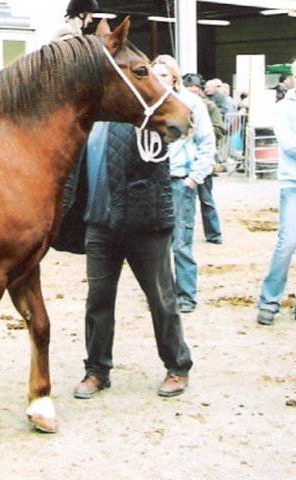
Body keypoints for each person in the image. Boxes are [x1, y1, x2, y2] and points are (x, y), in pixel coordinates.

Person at [53, 121, 193, 399]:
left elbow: (174, 130)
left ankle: (177, 366)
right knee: (98, 300)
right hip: (99, 224)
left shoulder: (142, 114)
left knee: (161, 298)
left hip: (145, 223)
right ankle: (97, 370)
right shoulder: (86, 120)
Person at [152, 55, 216, 313]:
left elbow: (206, 141)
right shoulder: (148, 103)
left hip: (180, 180)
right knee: (157, 244)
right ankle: (162, 294)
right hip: (154, 182)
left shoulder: (191, 102)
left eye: (164, 75)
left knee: (181, 241)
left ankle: (187, 294)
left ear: (175, 77)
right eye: (155, 75)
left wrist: (194, 178)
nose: (159, 79)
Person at [256, 57, 296, 326]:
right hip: (293, 184)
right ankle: (269, 300)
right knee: (287, 244)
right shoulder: (284, 107)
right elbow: (290, 144)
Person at [183, 73, 225, 244]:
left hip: (203, 160)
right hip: (183, 164)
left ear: (200, 90)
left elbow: (219, 130)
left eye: (196, 89)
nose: (193, 92)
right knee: (182, 204)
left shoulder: (209, 106)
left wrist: (197, 133)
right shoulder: (175, 105)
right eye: (189, 89)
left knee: (207, 200)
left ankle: (214, 233)